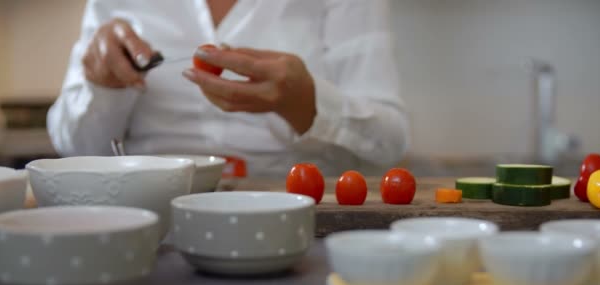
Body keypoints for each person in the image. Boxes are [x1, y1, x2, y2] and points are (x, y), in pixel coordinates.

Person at [48, 0, 408, 177]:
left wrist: (306, 102)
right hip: (149, 218)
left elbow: (389, 141)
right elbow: (75, 148)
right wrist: (102, 86)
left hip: (299, 216)